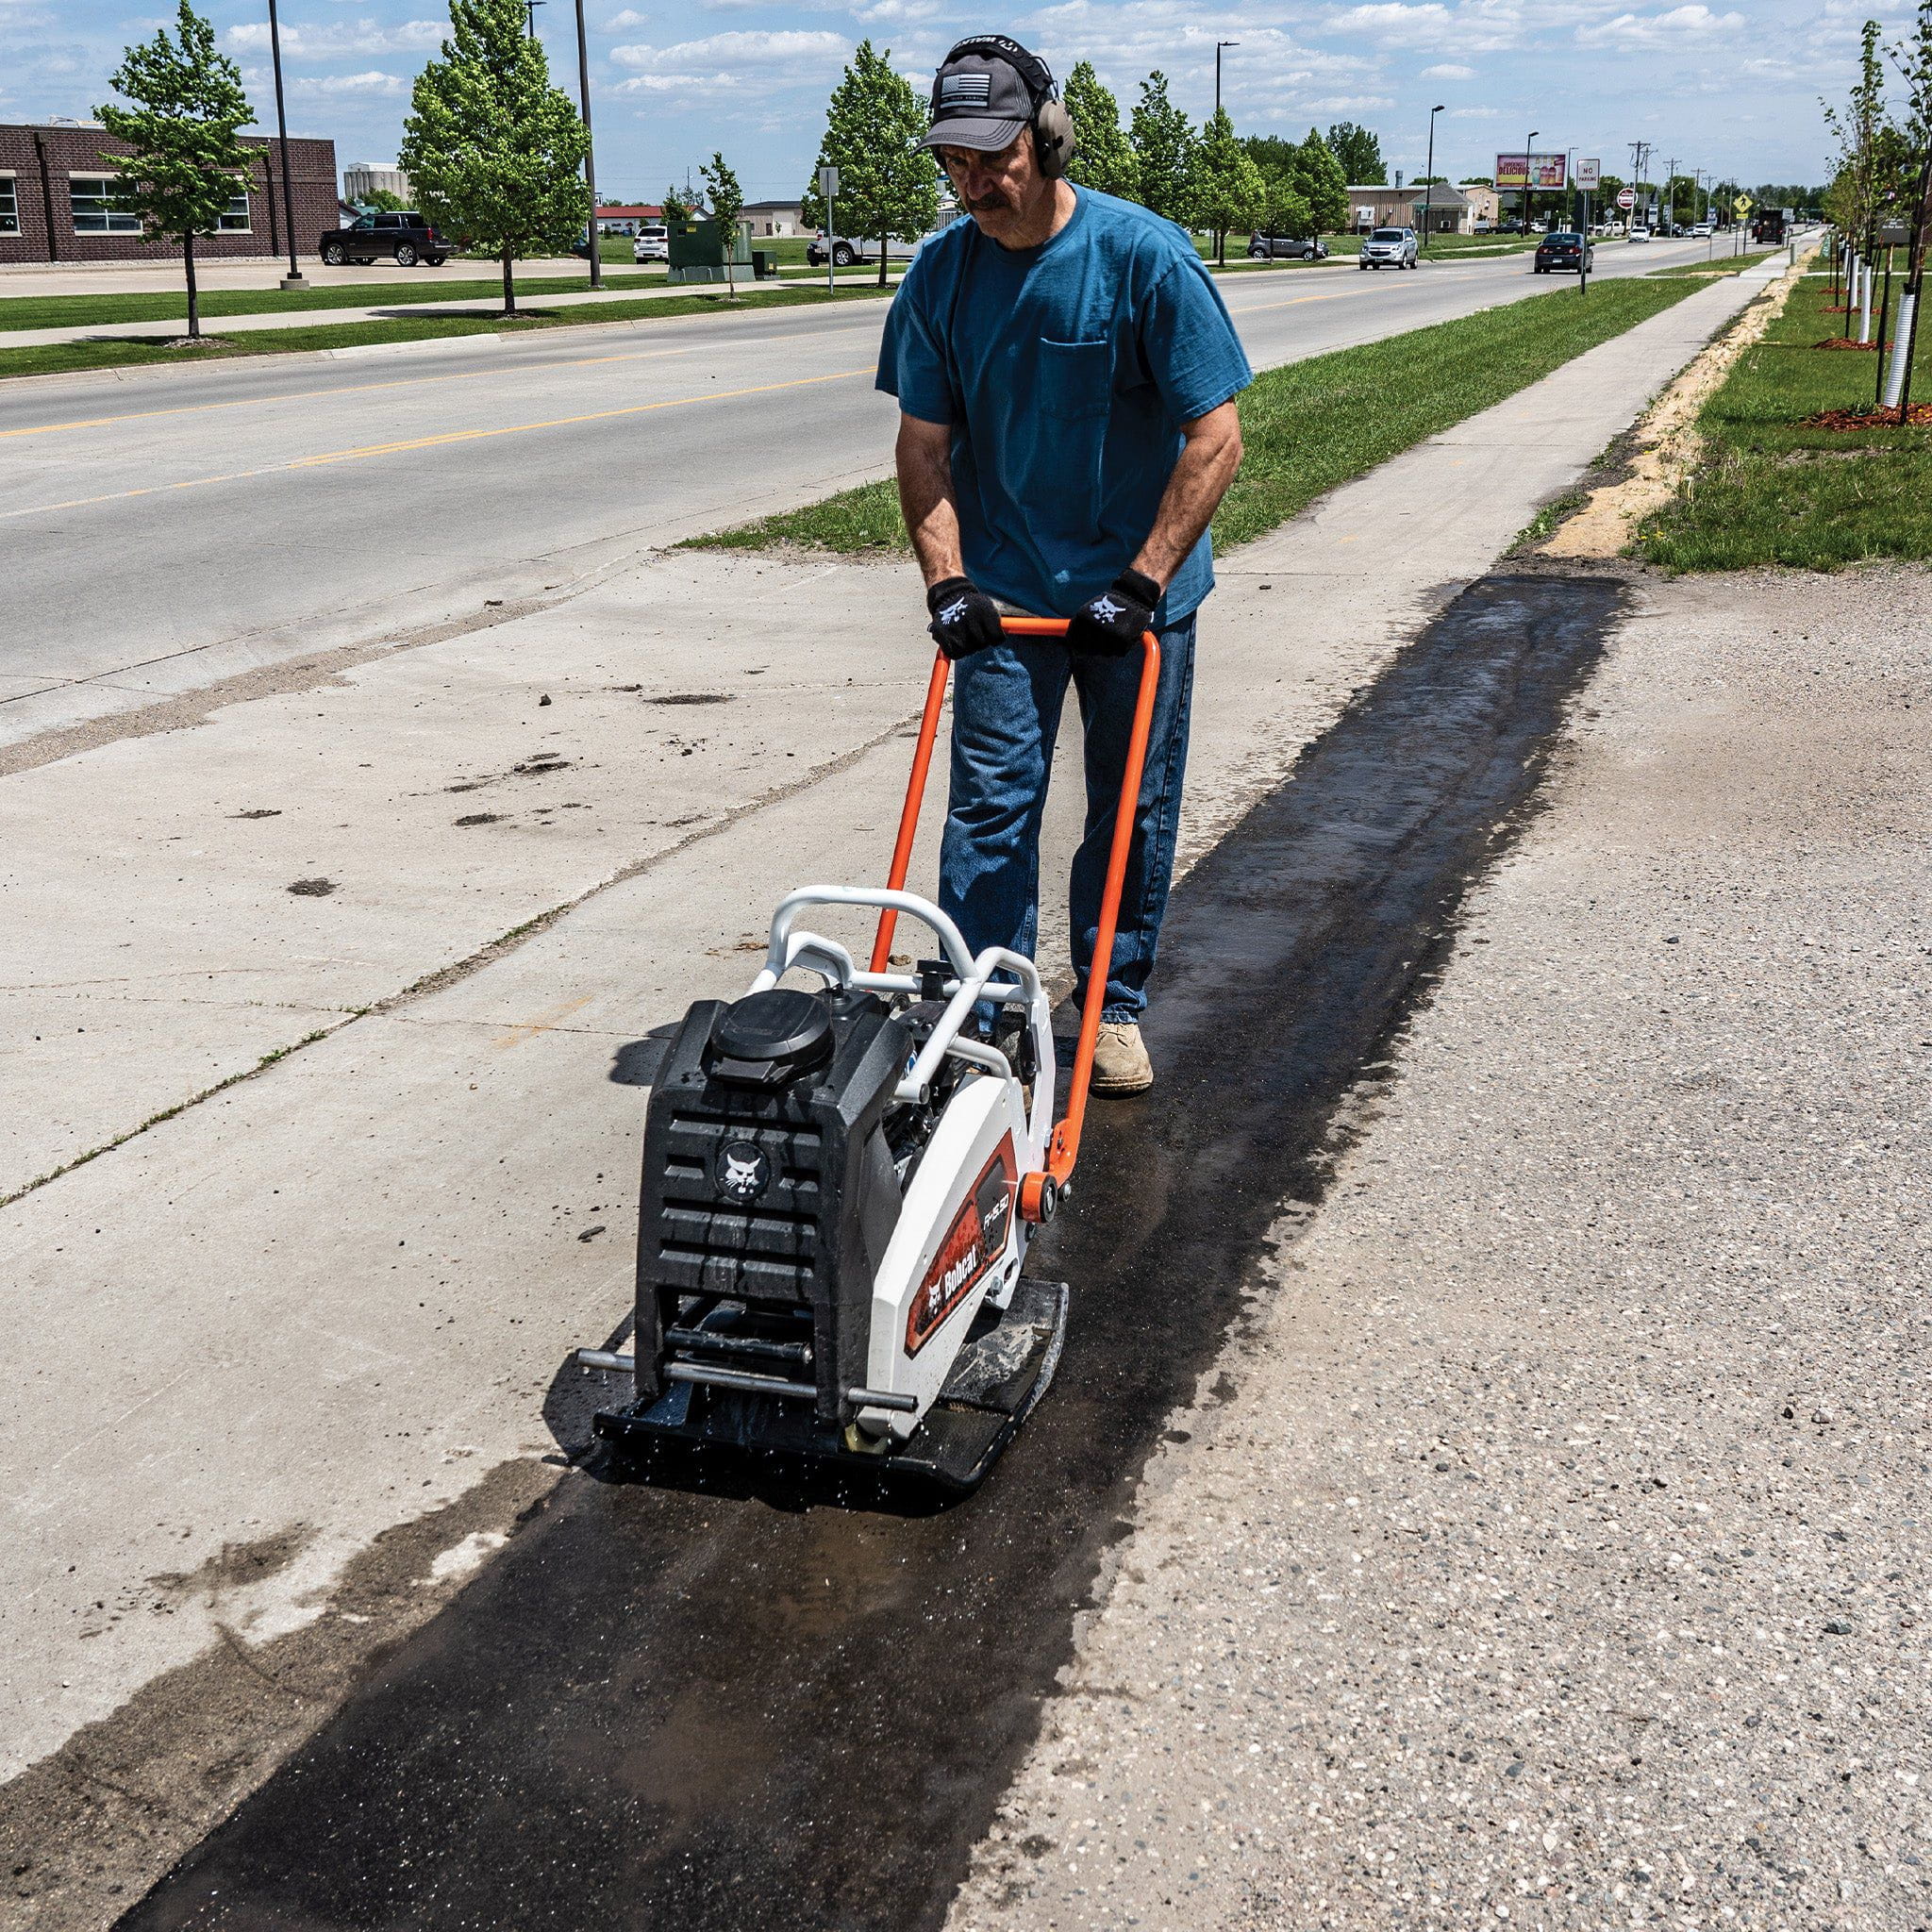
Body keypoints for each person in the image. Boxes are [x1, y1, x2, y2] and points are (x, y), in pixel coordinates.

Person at [877, 34, 1249, 1095]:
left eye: (991, 157)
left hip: (1136, 592)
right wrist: (947, 582)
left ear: (1042, 139)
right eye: (952, 160)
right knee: (990, 803)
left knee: (1129, 807)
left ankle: (1108, 1001)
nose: (972, 180)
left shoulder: (1143, 256)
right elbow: (922, 446)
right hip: (1006, 587)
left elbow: (1214, 435)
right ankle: (989, 1000)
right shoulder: (941, 274)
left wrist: (1141, 581)